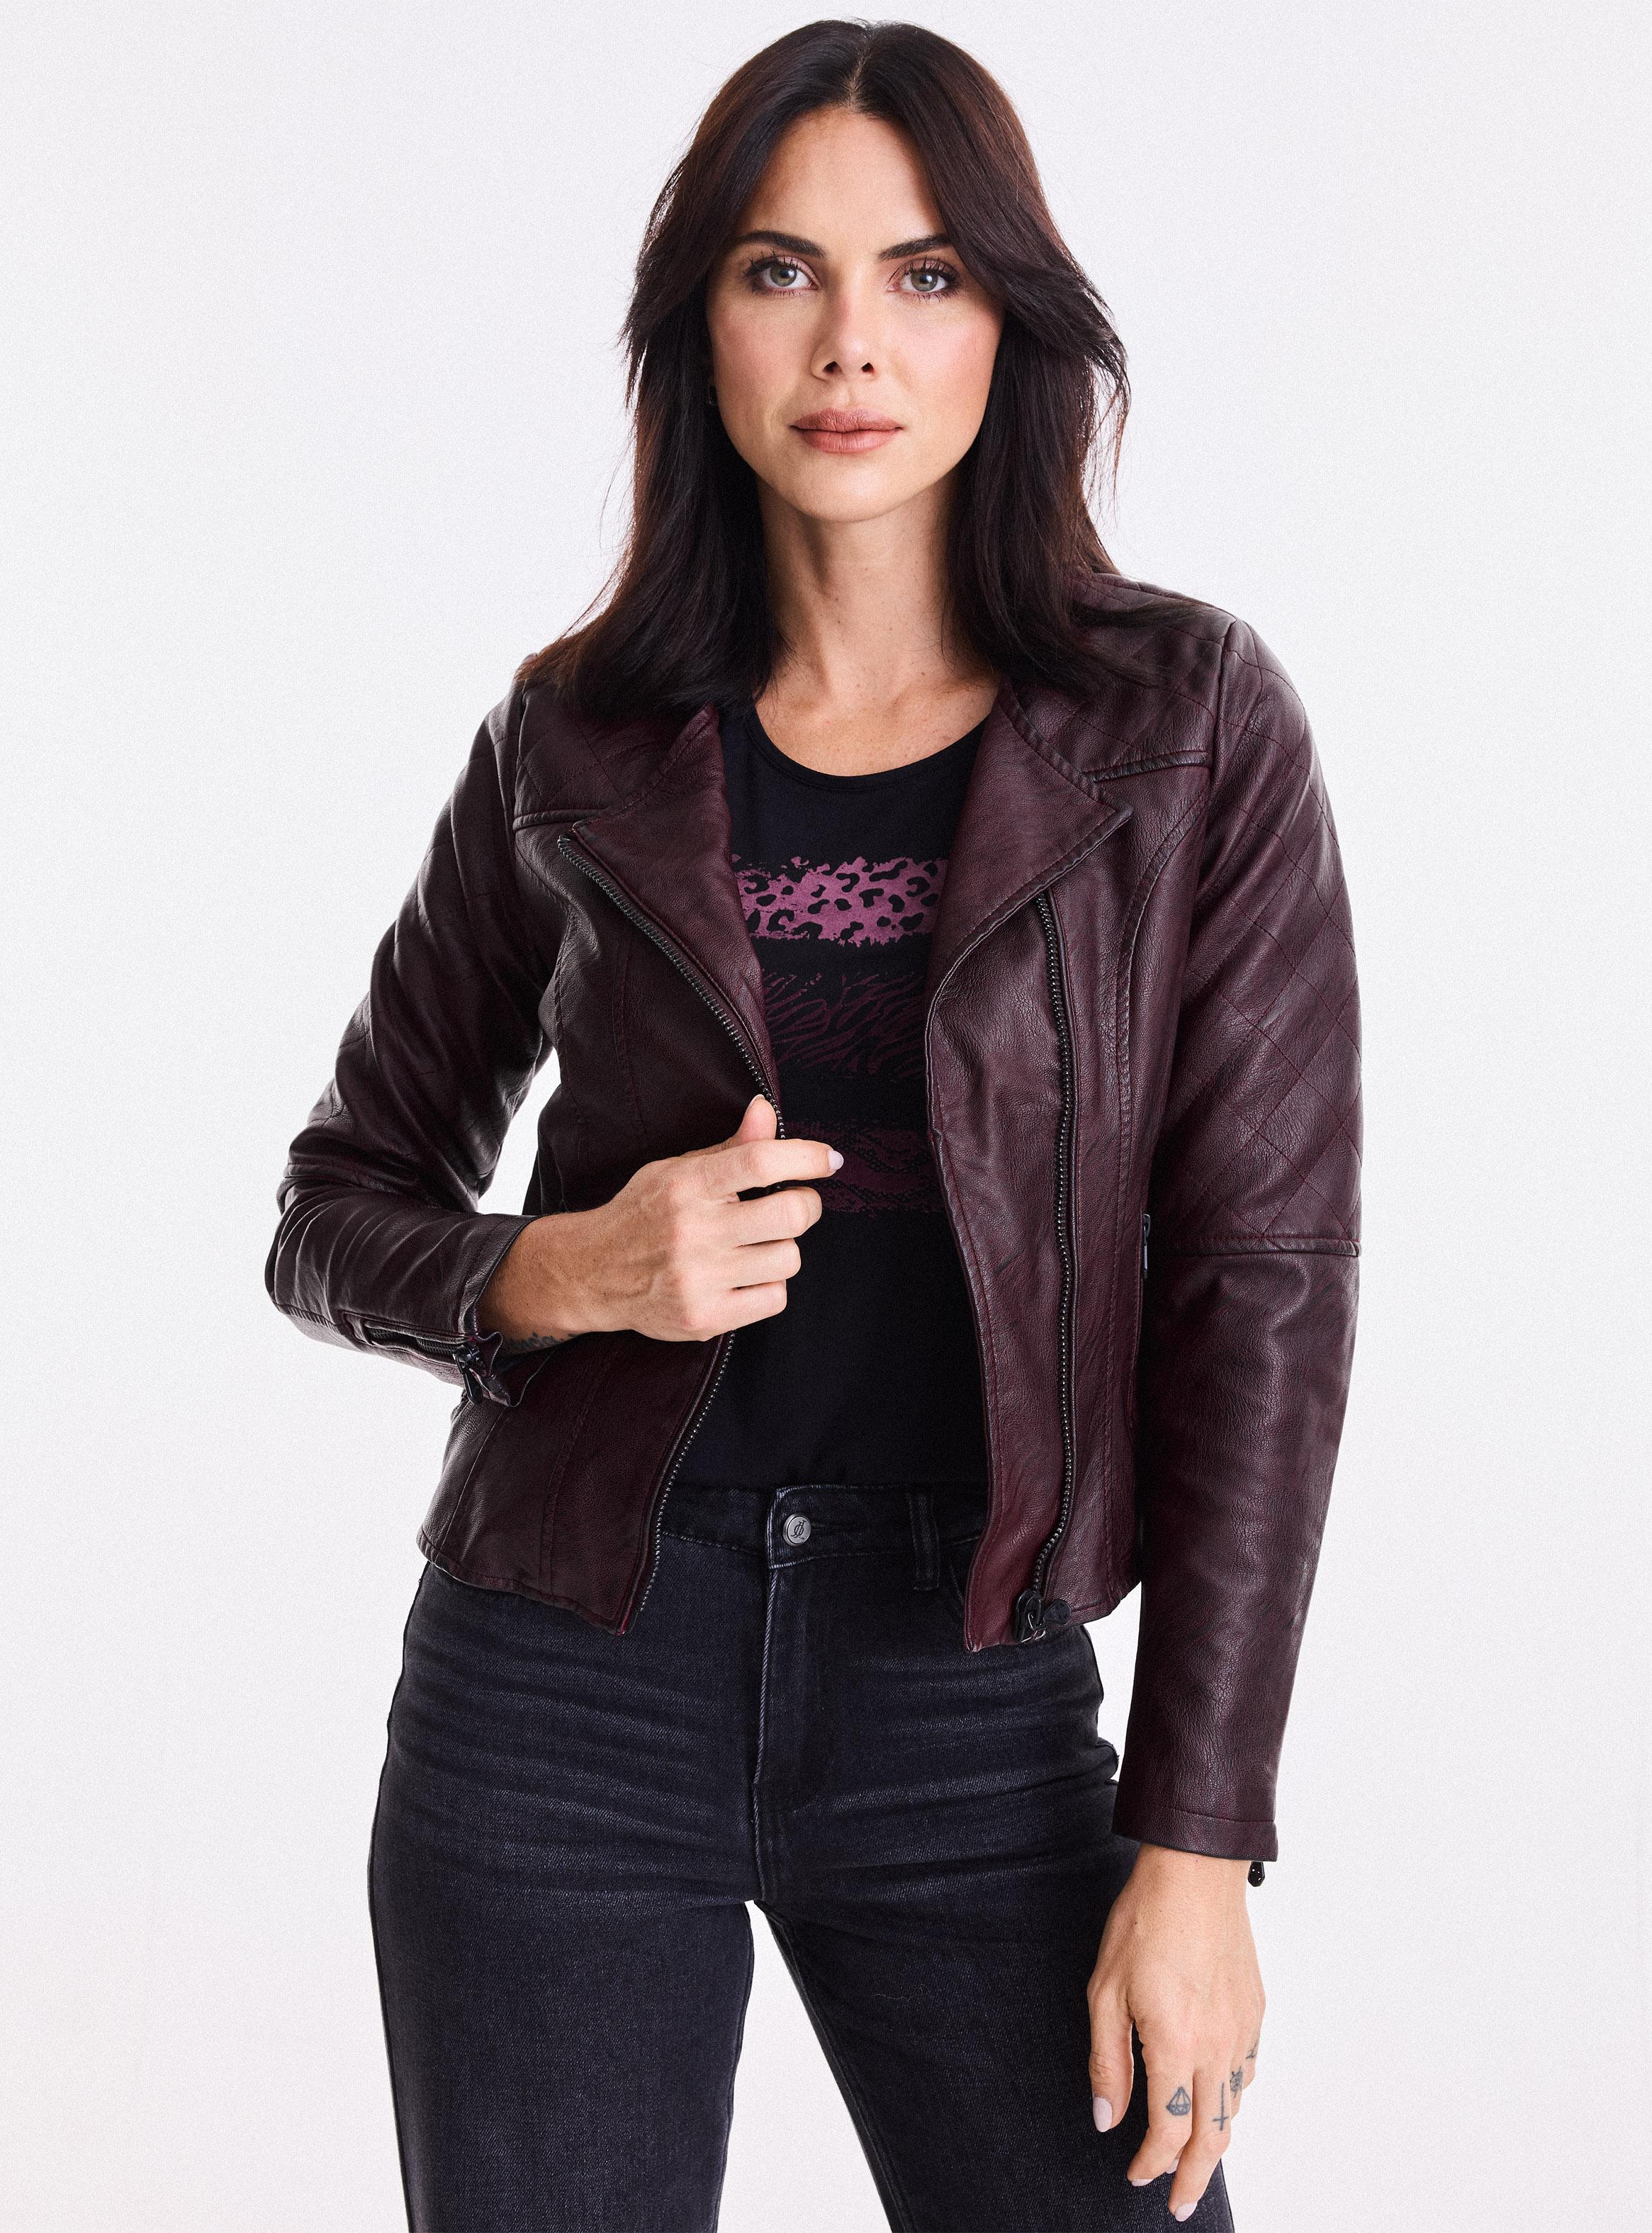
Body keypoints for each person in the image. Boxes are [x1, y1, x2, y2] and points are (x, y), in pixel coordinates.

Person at [266, 21, 1361, 2232]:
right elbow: (335, 1207)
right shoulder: (573, 740)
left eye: (923, 275)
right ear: (701, 325)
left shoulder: (1178, 729)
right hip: (561, 1684)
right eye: (781, 272)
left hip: (967, 1693)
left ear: (1007, 324)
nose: (851, 342)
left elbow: (1261, 1287)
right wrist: (559, 1270)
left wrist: (1196, 1840)